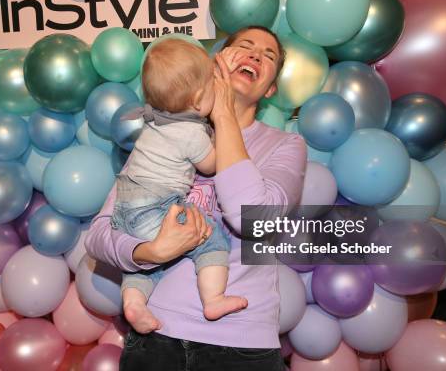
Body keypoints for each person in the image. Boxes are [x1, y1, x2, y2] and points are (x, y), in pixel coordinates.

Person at [84, 26, 307, 371]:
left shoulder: (286, 145)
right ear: (213, 66)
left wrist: (223, 114)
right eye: (244, 46)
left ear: (271, 88)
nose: (254, 55)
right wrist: (149, 252)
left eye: (268, 56)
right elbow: (99, 235)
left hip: (242, 347)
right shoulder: (163, 133)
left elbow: (252, 219)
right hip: (156, 338)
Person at [113, 38, 248, 335]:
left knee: (144, 264)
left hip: (124, 208)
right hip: (157, 203)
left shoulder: (154, 121)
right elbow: (212, 165)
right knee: (208, 237)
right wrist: (219, 129)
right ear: (199, 100)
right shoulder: (190, 132)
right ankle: (213, 299)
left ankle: (134, 301)